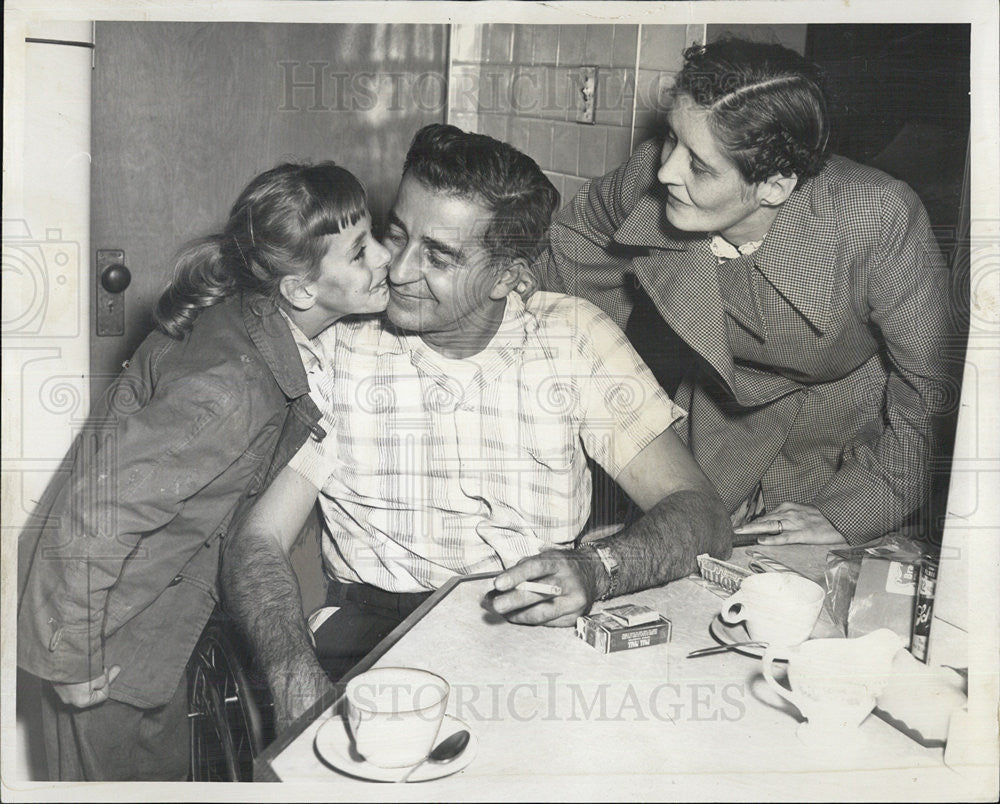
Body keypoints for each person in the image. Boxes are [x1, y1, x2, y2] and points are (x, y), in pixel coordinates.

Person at [221, 124, 732, 728]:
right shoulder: (336, 348)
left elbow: (701, 512)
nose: (399, 269)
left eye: (439, 255)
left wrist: (598, 569)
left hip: (537, 631)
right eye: (397, 234)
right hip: (373, 637)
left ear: (509, 277)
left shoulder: (572, 338)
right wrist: (295, 687)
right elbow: (257, 542)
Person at [16, 162, 391, 781]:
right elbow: (95, 516)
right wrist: (71, 654)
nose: (384, 256)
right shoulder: (228, 391)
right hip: (103, 640)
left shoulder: (255, 324)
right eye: (359, 252)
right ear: (300, 290)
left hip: (150, 624)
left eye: (373, 234)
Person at [535, 38, 953, 548]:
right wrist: (585, 344)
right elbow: (577, 240)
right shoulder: (655, 175)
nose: (666, 171)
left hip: (854, 432)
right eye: (673, 139)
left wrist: (853, 512)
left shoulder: (878, 217)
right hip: (720, 410)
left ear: (775, 186)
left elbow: (932, 392)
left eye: (701, 166)